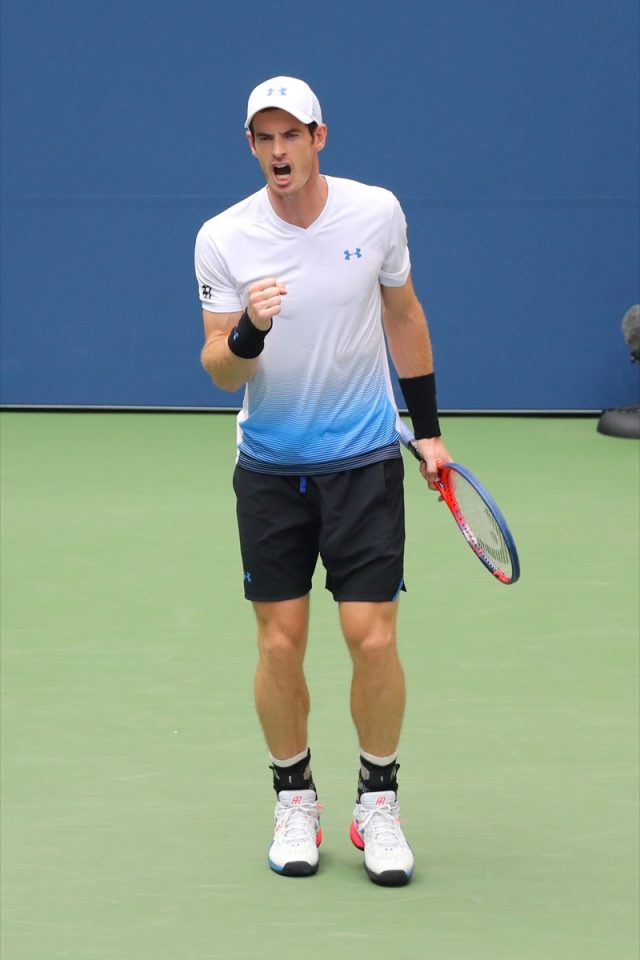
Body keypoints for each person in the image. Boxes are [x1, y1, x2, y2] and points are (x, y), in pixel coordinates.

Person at [195, 76, 452, 886]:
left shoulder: (375, 213)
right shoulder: (224, 238)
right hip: (271, 469)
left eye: (290, 136)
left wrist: (432, 430)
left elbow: (403, 315)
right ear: (251, 146)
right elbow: (217, 371)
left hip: (365, 459)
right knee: (280, 642)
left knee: (372, 636)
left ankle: (378, 800)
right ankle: (293, 795)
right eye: (262, 139)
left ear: (319, 137)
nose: (277, 152)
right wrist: (250, 326)